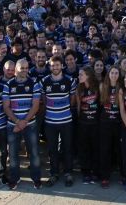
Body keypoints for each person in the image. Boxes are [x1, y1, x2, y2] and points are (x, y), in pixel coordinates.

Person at [3, 59, 42, 190]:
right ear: (16, 70)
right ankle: (14, 179)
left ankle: (36, 178)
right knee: (13, 154)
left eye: (26, 68)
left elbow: (35, 106)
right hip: (12, 124)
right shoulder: (8, 85)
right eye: (22, 68)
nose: (25, 70)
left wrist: (24, 122)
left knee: (34, 152)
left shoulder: (34, 84)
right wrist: (17, 122)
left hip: (30, 124)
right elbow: (6, 107)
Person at [41, 55, 77, 187]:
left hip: (66, 120)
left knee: (67, 148)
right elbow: (44, 100)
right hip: (50, 121)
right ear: (49, 67)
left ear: (62, 66)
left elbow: (72, 100)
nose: (55, 67)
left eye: (57, 65)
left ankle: (68, 173)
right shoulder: (44, 81)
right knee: (52, 149)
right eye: (52, 65)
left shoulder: (70, 80)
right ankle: (54, 173)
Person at [76, 66, 101, 185]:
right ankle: (86, 172)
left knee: (95, 148)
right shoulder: (79, 89)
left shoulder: (97, 87)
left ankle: (95, 172)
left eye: (81, 74)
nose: (79, 76)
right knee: (84, 148)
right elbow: (78, 107)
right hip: (83, 123)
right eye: (79, 74)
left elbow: (101, 104)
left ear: (88, 75)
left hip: (95, 123)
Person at [98, 65, 122, 188]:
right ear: (109, 74)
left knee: (120, 149)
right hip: (105, 122)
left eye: (116, 73)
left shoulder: (121, 87)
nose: (114, 75)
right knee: (105, 150)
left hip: (118, 122)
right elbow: (100, 104)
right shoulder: (103, 86)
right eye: (112, 73)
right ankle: (104, 177)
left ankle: (124, 175)